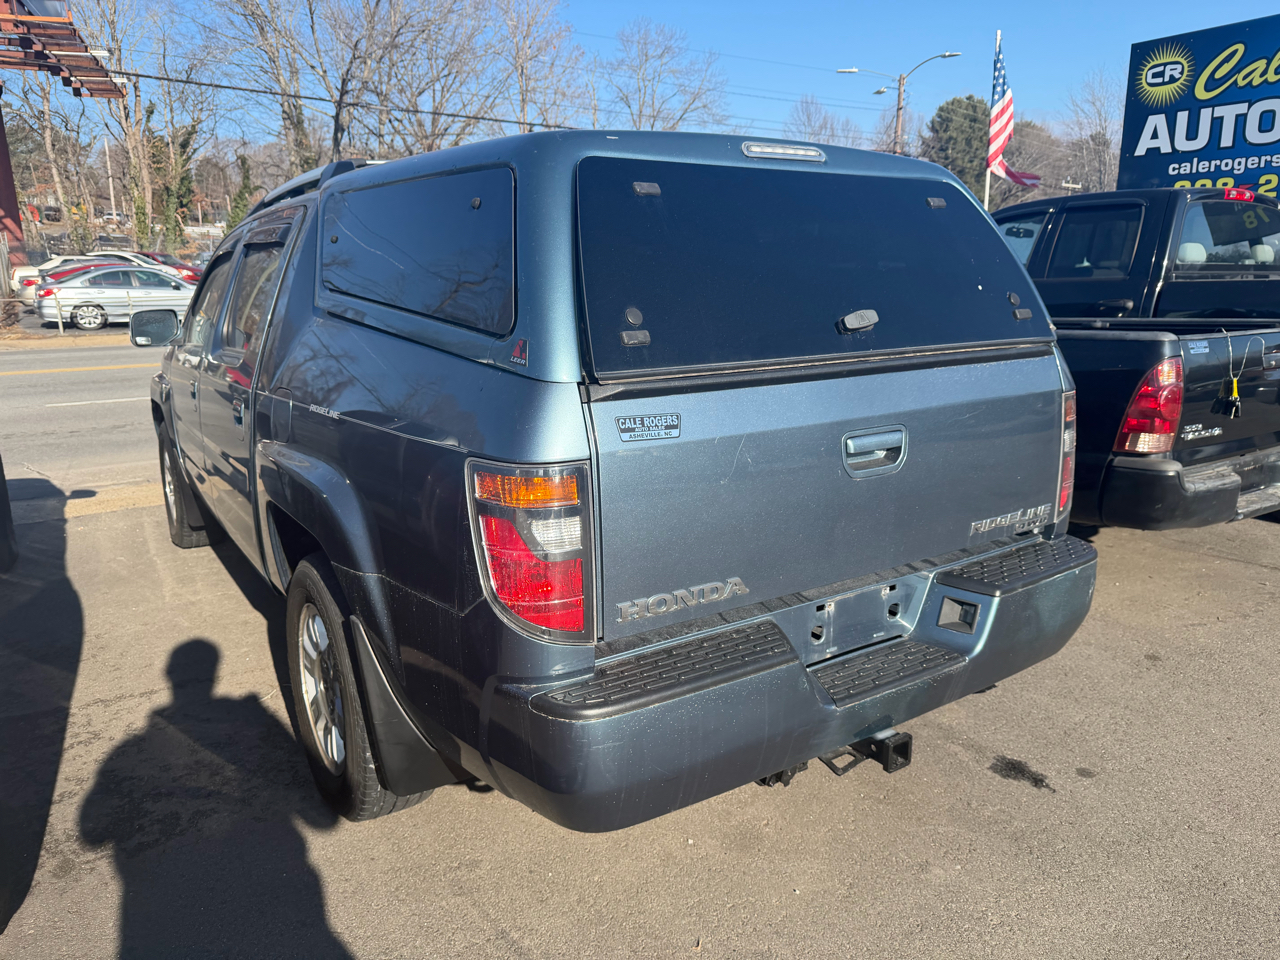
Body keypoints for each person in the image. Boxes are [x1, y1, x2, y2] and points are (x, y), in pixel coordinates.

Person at [80, 639, 352, 959]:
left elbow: (91, 831)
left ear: (169, 676)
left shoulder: (128, 752)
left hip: (163, 923)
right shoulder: (252, 716)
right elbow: (323, 820)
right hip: (290, 905)